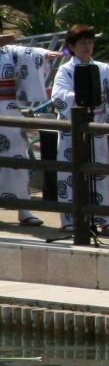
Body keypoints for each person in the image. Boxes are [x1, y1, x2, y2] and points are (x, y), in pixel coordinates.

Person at [48, 24, 109, 234]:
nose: (88, 46)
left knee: (100, 173)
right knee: (70, 173)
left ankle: (103, 217)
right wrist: (86, 99)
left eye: (90, 42)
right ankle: (70, 218)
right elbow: (58, 97)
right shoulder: (65, 70)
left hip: (97, 127)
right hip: (72, 130)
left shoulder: (104, 69)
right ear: (72, 47)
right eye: (82, 43)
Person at [0, 36, 62, 227]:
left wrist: (43, 54)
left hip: (9, 107)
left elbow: (27, 53)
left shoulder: (8, 52)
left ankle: (23, 209)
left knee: (18, 156)